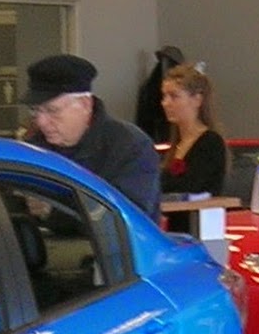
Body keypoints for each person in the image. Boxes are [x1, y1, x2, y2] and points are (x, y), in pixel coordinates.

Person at [23, 53, 160, 217]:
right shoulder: (33, 148)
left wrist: (55, 210)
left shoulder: (130, 147)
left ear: (85, 104)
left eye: (52, 110)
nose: (41, 122)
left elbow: (127, 216)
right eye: (35, 111)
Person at [159, 62, 228, 198]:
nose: (165, 103)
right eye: (164, 96)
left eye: (174, 96)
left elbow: (193, 187)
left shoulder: (210, 142)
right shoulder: (176, 144)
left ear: (197, 100)